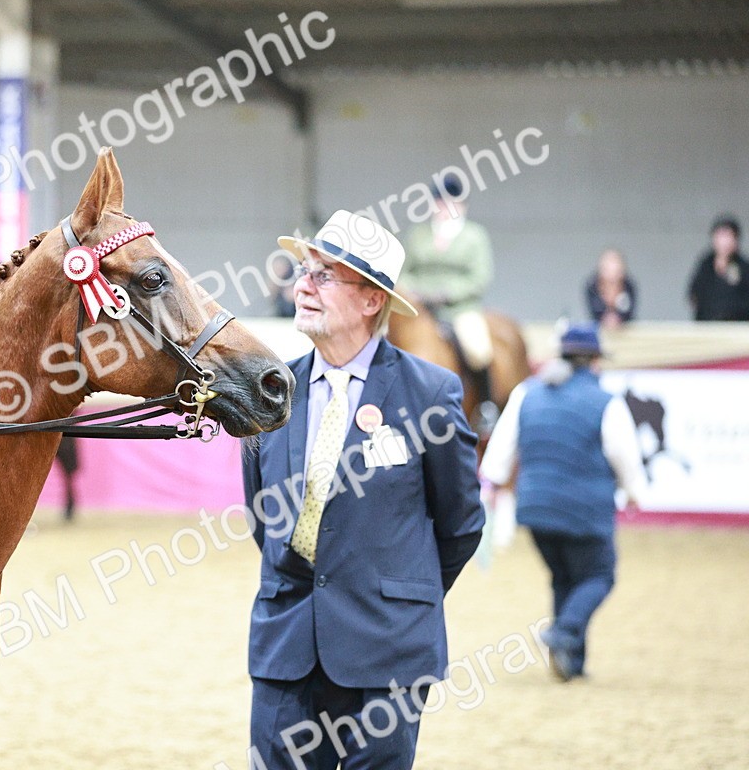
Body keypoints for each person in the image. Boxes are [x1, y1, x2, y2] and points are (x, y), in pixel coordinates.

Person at [242, 210, 485, 769]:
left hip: (388, 651)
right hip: (286, 646)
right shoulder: (272, 390)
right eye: (304, 270)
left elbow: (461, 524)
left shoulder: (430, 394)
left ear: (371, 299)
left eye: (324, 275)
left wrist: (397, 591)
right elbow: (265, 518)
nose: (302, 285)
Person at [478, 323, 647, 682]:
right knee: (599, 575)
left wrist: (490, 481)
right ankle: (564, 631)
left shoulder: (528, 393)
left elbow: (502, 448)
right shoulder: (606, 402)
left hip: (535, 509)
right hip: (585, 510)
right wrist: (636, 494)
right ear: (594, 361)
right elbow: (625, 457)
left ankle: (572, 661)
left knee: (563, 577)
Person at [401, 175, 497, 428]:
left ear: (462, 205)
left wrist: (446, 293)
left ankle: (485, 407)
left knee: (478, 348)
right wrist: (415, 290)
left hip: (460, 309)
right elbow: (404, 272)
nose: (444, 208)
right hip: (420, 308)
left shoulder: (474, 236)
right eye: (440, 203)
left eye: (451, 203)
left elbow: (480, 277)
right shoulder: (419, 234)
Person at [687, 215, 749, 321]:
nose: (724, 242)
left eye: (728, 236)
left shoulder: (743, 267)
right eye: (720, 236)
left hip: (736, 329)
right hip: (707, 328)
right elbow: (694, 295)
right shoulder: (706, 265)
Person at [585, 248, 636, 327]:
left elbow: (629, 312)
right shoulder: (592, 286)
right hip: (600, 331)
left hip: (625, 332)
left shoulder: (629, 286)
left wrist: (618, 319)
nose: (612, 273)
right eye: (608, 267)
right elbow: (594, 312)